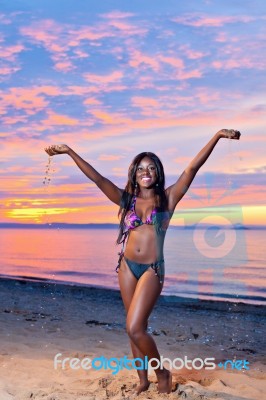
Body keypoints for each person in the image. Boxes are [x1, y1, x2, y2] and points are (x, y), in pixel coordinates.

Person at [44, 128, 241, 394]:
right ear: (134, 174)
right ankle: (143, 380)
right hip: (126, 267)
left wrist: (217, 136)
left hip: (151, 269)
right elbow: (97, 179)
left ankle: (162, 373)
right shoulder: (127, 200)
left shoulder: (168, 199)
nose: (145, 172)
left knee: (135, 327)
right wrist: (68, 151)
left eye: (150, 168)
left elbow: (192, 168)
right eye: (140, 169)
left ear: (157, 172)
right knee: (133, 328)